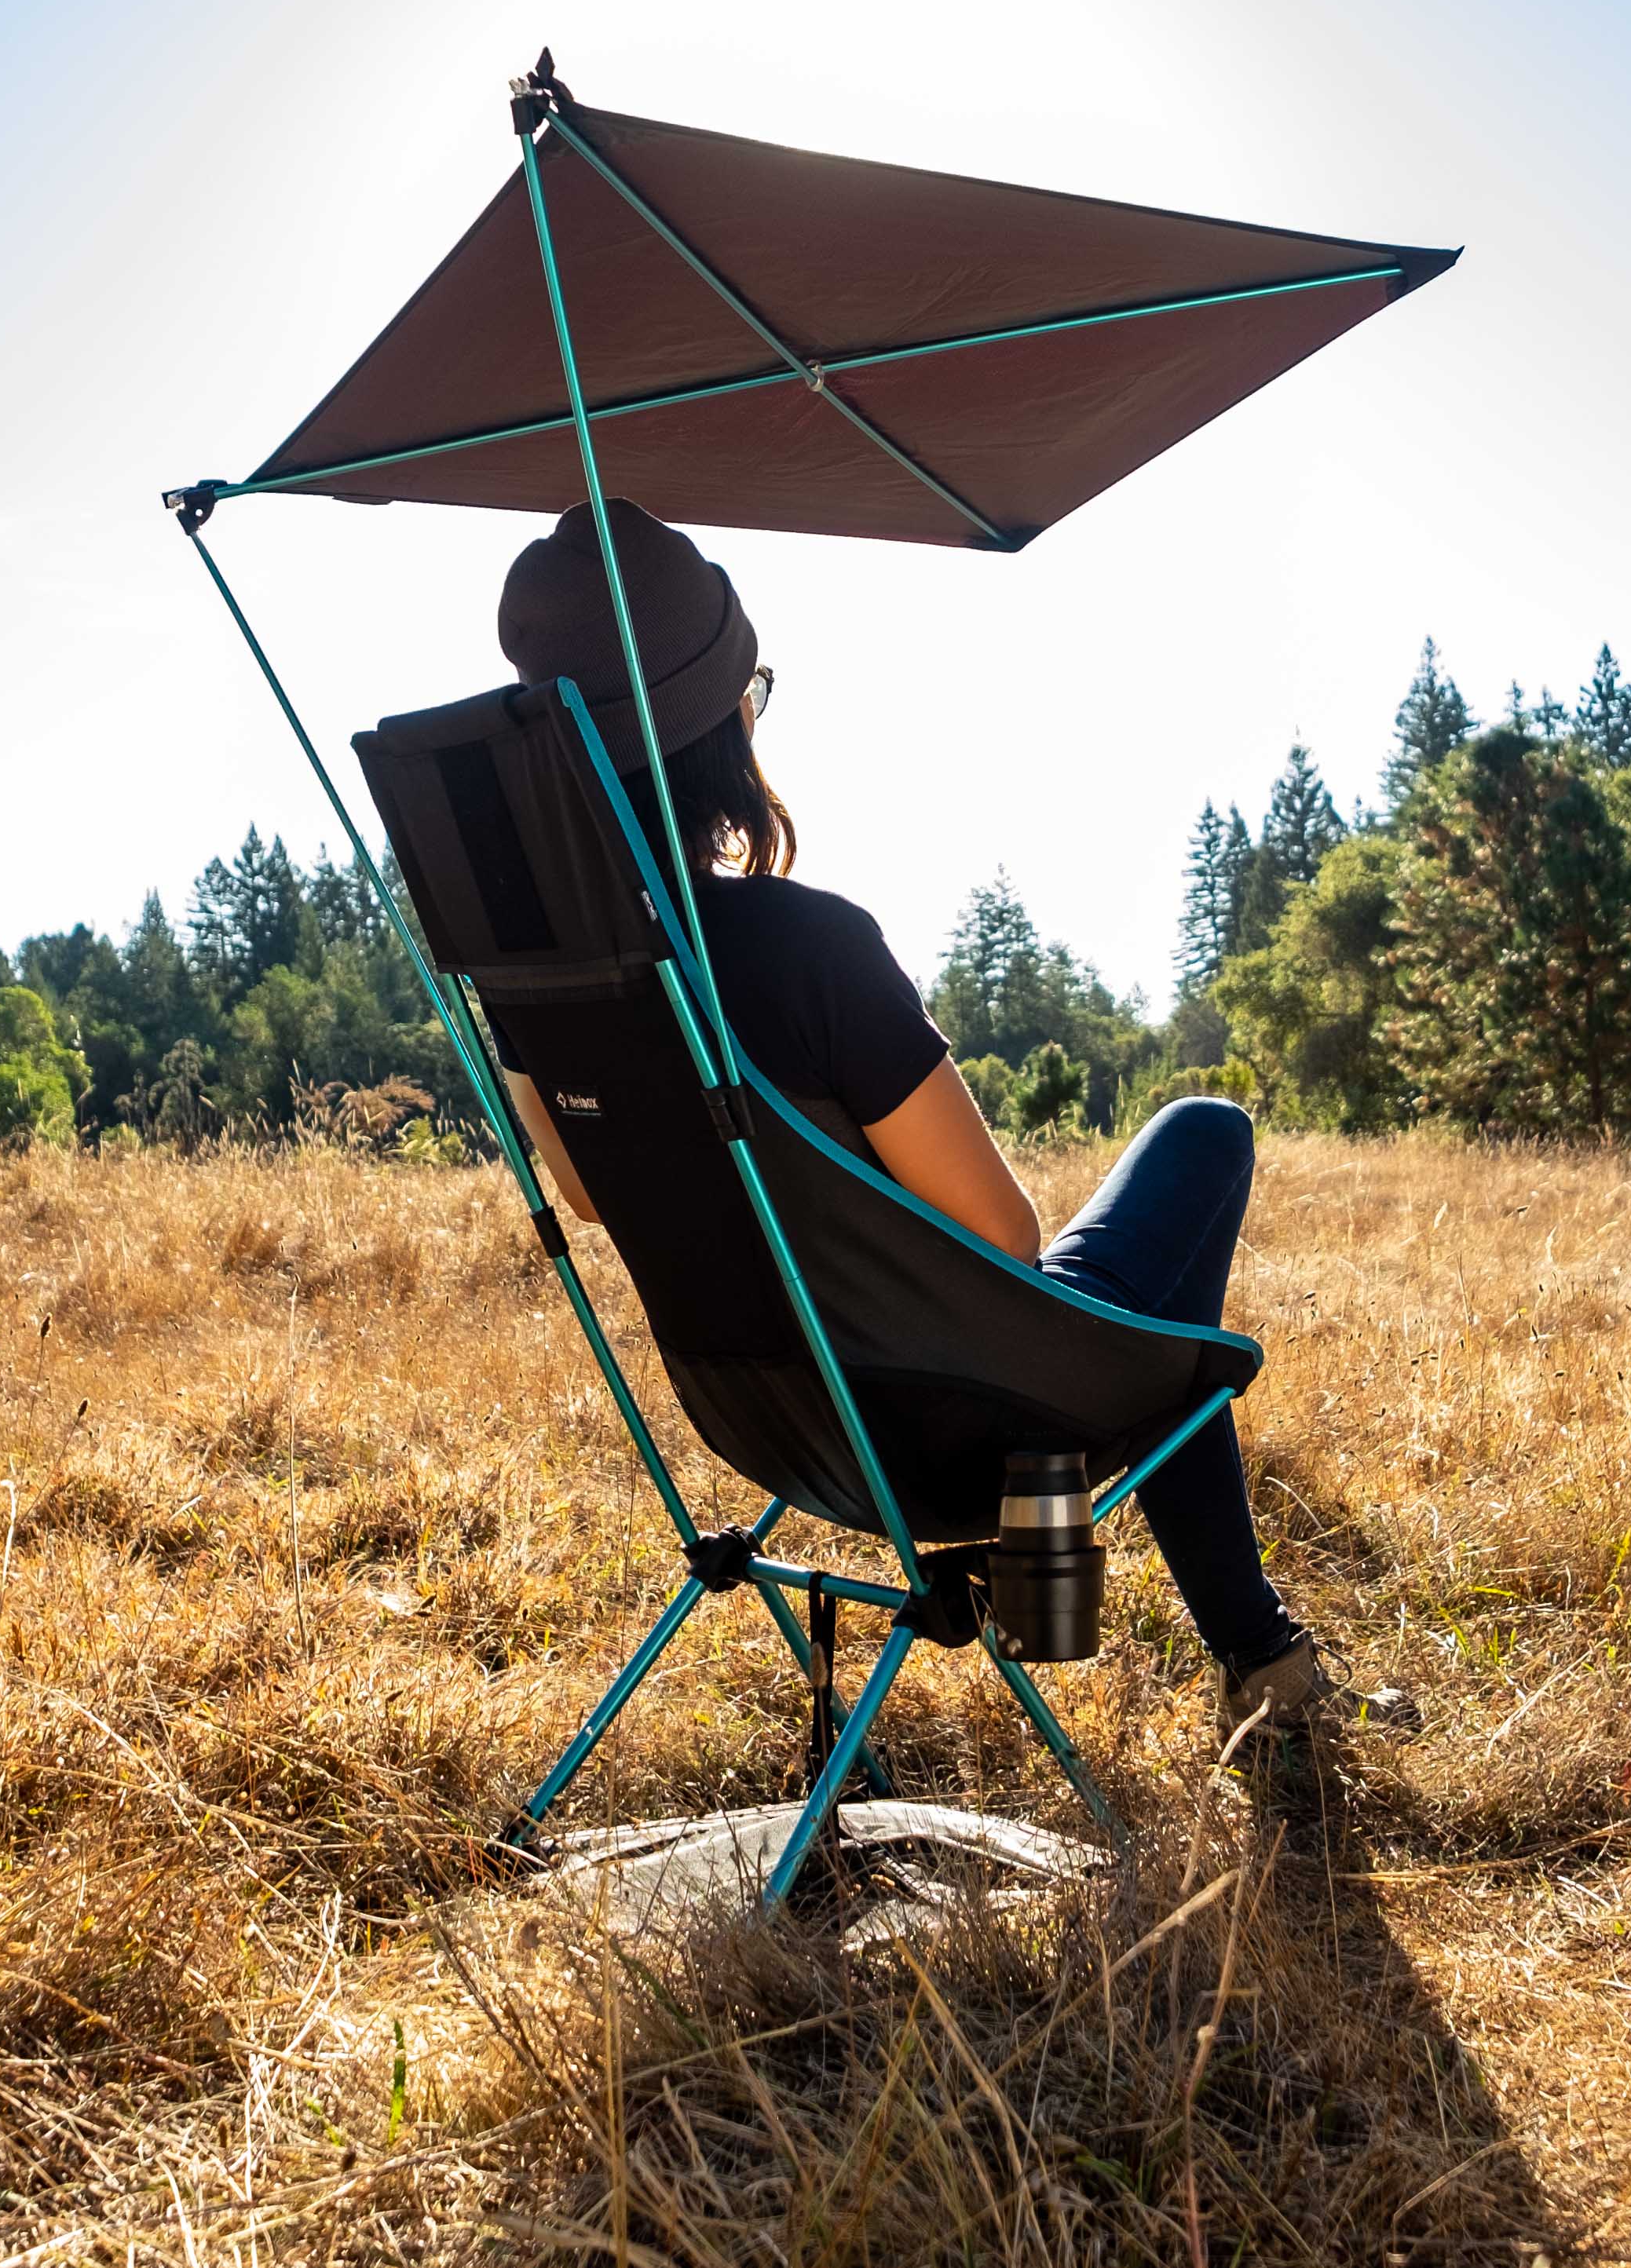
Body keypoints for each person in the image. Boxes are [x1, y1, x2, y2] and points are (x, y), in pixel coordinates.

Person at [480, 499, 1402, 1753]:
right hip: (949, 1422)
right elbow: (1001, 1240)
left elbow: (587, 1196)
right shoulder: (809, 945)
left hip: (771, 1423)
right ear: (718, 731)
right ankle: (1214, 1635)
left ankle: (1224, 1636)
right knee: (1201, 1135)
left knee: (1147, 1320)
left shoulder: (544, 983)